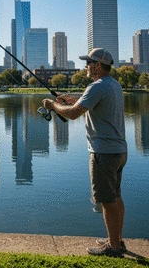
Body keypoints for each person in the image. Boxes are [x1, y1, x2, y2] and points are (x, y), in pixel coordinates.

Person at [42, 48, 127, 257]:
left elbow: (72, 115)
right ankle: (116, 240)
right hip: (119, 150)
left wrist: (53, 104)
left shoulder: (96, 87)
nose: (86, 66)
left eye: (88, 62)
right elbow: (87, 105)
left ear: (97, 65)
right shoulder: (113, 85)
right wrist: (74, 100)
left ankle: (113, 248)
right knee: (115, 197)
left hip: (103, 153)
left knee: (107, 200)